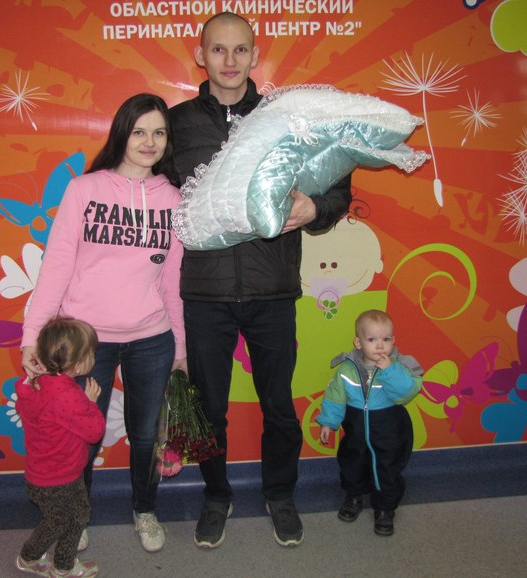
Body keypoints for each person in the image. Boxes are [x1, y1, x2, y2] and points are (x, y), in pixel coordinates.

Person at [169, 11, 352, 548]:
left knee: (278, 406)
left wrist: (315, 207)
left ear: (255, 55)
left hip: (273, 290)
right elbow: (149, 192)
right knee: (210, 409)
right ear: (200, 56)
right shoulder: (175, 125)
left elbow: (338, 183)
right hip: (204, 294)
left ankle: (280, 495)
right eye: (218, 49)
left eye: (240, 49)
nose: (230, 60)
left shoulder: (286, 120)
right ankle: (216, 497)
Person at [20, 93, 187, 553]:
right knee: (80, 435)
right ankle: (77, 514)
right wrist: (32, 338)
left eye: (159, 133)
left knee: (146, 434)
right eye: (139, 131)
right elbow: (56, 267)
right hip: (85, 342)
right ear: (121, 134)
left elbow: (173, 283)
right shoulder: (84, 190)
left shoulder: (174, 201)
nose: (149, 142)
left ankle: (145, 510)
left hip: (151, 338)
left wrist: (180, 348)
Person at [317, 309, 423, 537]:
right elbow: (335, 397)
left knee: (387, 467)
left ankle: (385, 508)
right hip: (356, 429)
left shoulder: (399, 366)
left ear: (393, 341)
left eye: (386, 339)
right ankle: (354, 496)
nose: (380, 346)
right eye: (372, 339)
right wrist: (328, 422)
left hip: (389, 430)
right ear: (358, 343)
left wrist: (390, 371)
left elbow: (406, 393)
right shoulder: (347, 369)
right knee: (352, 463)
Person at [15, 317, 105, 578]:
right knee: (66, 520)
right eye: (91, 354)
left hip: (46, 474)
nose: (93, 358)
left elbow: (26, 404)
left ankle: (49, 561)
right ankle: (44, 561)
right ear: (78, 364)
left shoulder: (36, 383)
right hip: (60, 478)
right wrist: (90, 403)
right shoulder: (68, 396)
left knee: (69, 516)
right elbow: (94, 432)